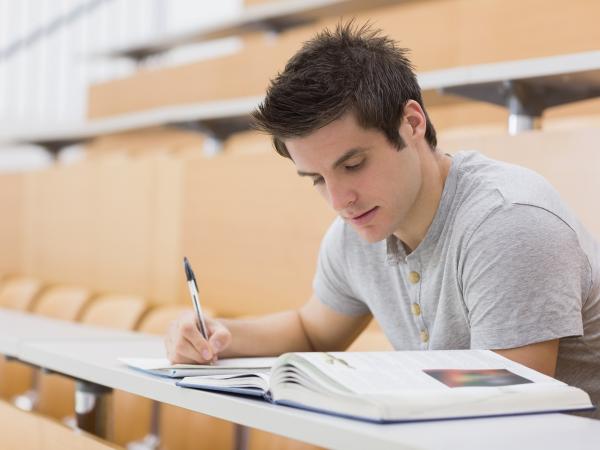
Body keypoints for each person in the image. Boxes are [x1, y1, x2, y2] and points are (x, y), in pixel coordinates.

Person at [165, 22, 600, 416]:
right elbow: (312, 331)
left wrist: (378, 382)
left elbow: (508, 403)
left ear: (412, 122)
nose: (339, 200)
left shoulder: (507, 223)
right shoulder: (359, 229)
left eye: (353, 165)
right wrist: (218, 334)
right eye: (316, 178)